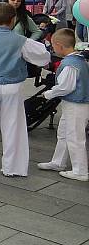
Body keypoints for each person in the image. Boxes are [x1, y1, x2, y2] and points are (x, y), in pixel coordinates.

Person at [0, 3, 51, 176]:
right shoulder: (20, 40)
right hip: (12, 85)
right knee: (13, 126)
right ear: (13, 20)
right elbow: (43, 58)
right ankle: (12, 167)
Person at [36, 29, 89, 180]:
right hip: (75, 103)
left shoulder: (70, 64)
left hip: (76, 104)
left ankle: (80, 170)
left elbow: (66, 87)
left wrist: (48, 94)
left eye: (53, 45)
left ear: (59, 45)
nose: (53, 48)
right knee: (65, 133)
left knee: (74, 136)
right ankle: (58, 161)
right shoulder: (79, 60)